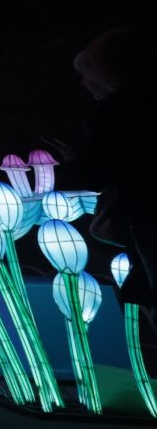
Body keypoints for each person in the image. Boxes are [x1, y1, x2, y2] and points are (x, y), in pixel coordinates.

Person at [67, 29, 155, 315]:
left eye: (88, 72)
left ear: (108, 71)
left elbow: (95, 173)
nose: (83, 83)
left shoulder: (118, 110)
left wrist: (67, 168)